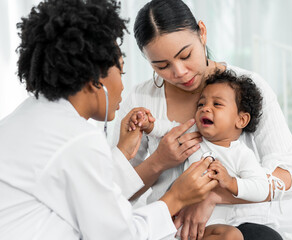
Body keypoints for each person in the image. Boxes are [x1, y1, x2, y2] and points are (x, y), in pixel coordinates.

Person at [0, 1, 219, 239]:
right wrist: (176, 198)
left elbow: (93, 195)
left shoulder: (27, 117)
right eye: (121, 71)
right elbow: (118, 235)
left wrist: (121, 154)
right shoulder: (76, 139)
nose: (123, 86)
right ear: (96, 79)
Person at [111, 0, 292, 239]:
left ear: (202, 32)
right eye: (162, 66)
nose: (179, 72)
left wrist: (212, 196)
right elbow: (115, 195)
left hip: (245, 224)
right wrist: (159, 162)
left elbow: (290, 177)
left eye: (186, 55)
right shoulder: (141, 99)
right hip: (173, 230)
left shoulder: (246, 88)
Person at [129, 70, 270, 240]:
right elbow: (166, 129)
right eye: (201, 104)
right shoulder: (193, 134)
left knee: (232, 235)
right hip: (173, 223)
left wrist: (231, 183)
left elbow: (262, 188)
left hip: (207, 229)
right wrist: (148, 125)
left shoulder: (241, 154)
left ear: (241, 120)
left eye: (217, 104)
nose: (205, 108)